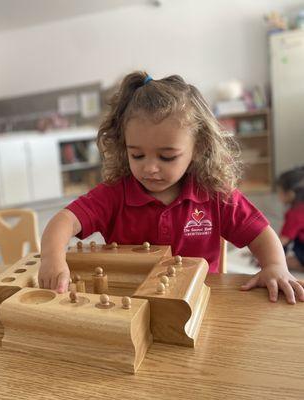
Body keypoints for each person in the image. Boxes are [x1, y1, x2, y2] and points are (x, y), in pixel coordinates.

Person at [38, 71, 304, 304]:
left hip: (201, 303)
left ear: (198, 148)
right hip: (130, 305)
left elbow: (261, 234)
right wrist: (52, 259)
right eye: (137, 155)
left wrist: (275, 266)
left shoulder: (213, 194)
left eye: (167, 157)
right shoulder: (114, 194)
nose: (149, 168)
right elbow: (63, 221)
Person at [276, 166, 304, 270]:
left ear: (290, 194)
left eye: (279, 192)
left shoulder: (295, 214)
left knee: (277, 262)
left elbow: (283, 240)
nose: (278, 196)